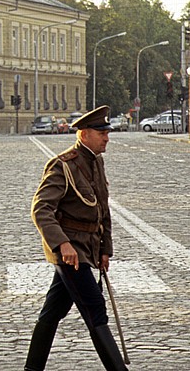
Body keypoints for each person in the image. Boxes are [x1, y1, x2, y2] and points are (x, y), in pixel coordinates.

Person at [25, 105, 127, 371]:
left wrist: (105, 250)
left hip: (88, 248)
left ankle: (31, 369)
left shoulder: (96, 162)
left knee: (53, 311)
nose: (106, 137)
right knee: (95, 307)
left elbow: (102, 209)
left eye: (107, 132)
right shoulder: (63, 165)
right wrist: (63, 244)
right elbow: (41, 209)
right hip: (71, 252)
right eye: (101, 132)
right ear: (84, 134)